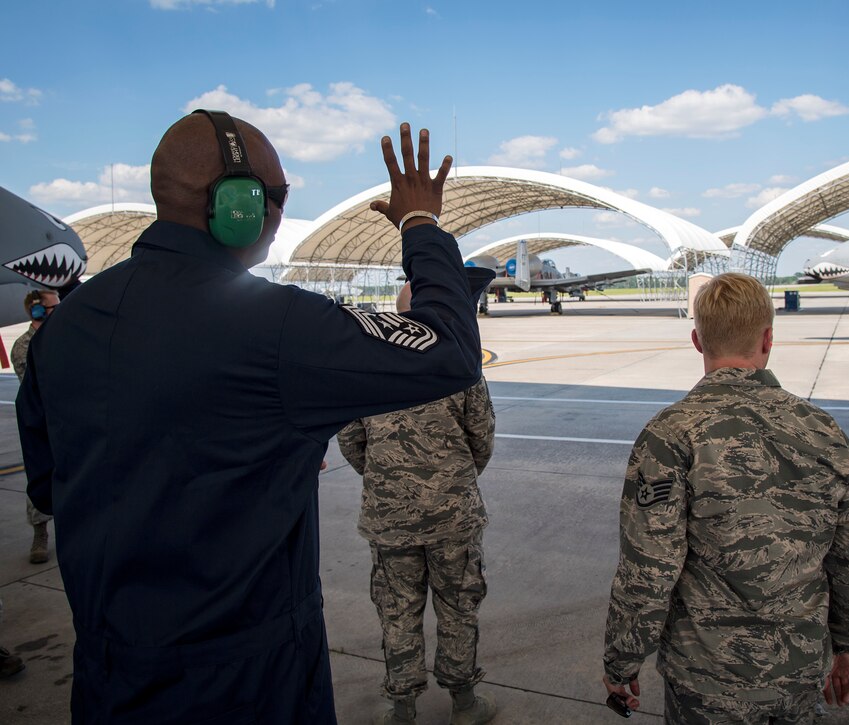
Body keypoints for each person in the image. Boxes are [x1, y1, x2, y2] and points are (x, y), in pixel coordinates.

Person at [16, 112, 493, 723]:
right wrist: (420, 223)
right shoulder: (279, 325)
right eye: (280, 197)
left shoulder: (62, 332)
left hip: (110, 674)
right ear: (238, 204)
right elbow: (450, 352)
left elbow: (46, 488)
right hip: (246, 680)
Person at [602, 273, 849, 724]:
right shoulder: (823, 430)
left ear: (697, 340)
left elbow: (648, 567)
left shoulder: (672, 434)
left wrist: (622, 660)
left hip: (706, 679)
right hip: (799, 668)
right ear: (769, 338)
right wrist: (845, 645)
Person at [337, 282, 496, 725]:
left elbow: (351, 440)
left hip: (390, 517)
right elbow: (482, 437)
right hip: (452, 514)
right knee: (459, 604)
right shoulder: (459, 362)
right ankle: (463, 702)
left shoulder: (366, 364)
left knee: (397, 609)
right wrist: (451, 482)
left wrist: (390, 481)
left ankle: (402, 707)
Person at [11, 289, 59, 564]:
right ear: (38, 311)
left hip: (63, 421)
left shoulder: (61, 337)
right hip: (42, 425)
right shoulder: (24, 345)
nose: (59, 310)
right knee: (39, 476)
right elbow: (34, 392)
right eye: (53, 307)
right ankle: (39, 533)